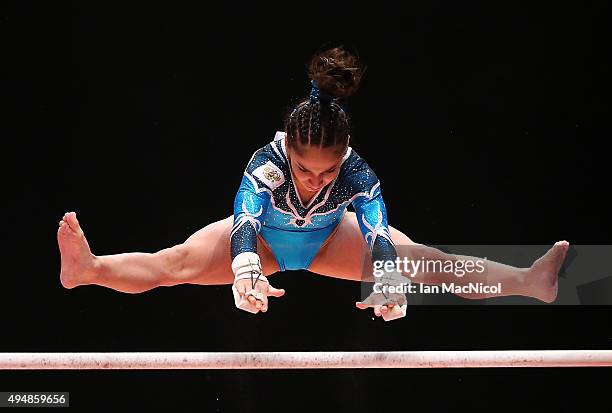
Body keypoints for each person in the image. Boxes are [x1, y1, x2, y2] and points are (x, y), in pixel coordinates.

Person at [57, 45, 570, 320]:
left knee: (423, 262)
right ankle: (89, 268)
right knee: (173, 265)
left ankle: (530, 282)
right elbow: (244, 220)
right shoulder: (265, 166)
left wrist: (389, 280)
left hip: (330, 239)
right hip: (261, 239)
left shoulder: (357, 174)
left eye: (328, 171)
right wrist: (245, 273)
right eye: (305, 170)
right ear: (288, 149)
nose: (315, 179)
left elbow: (376, 231)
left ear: (343, 156)